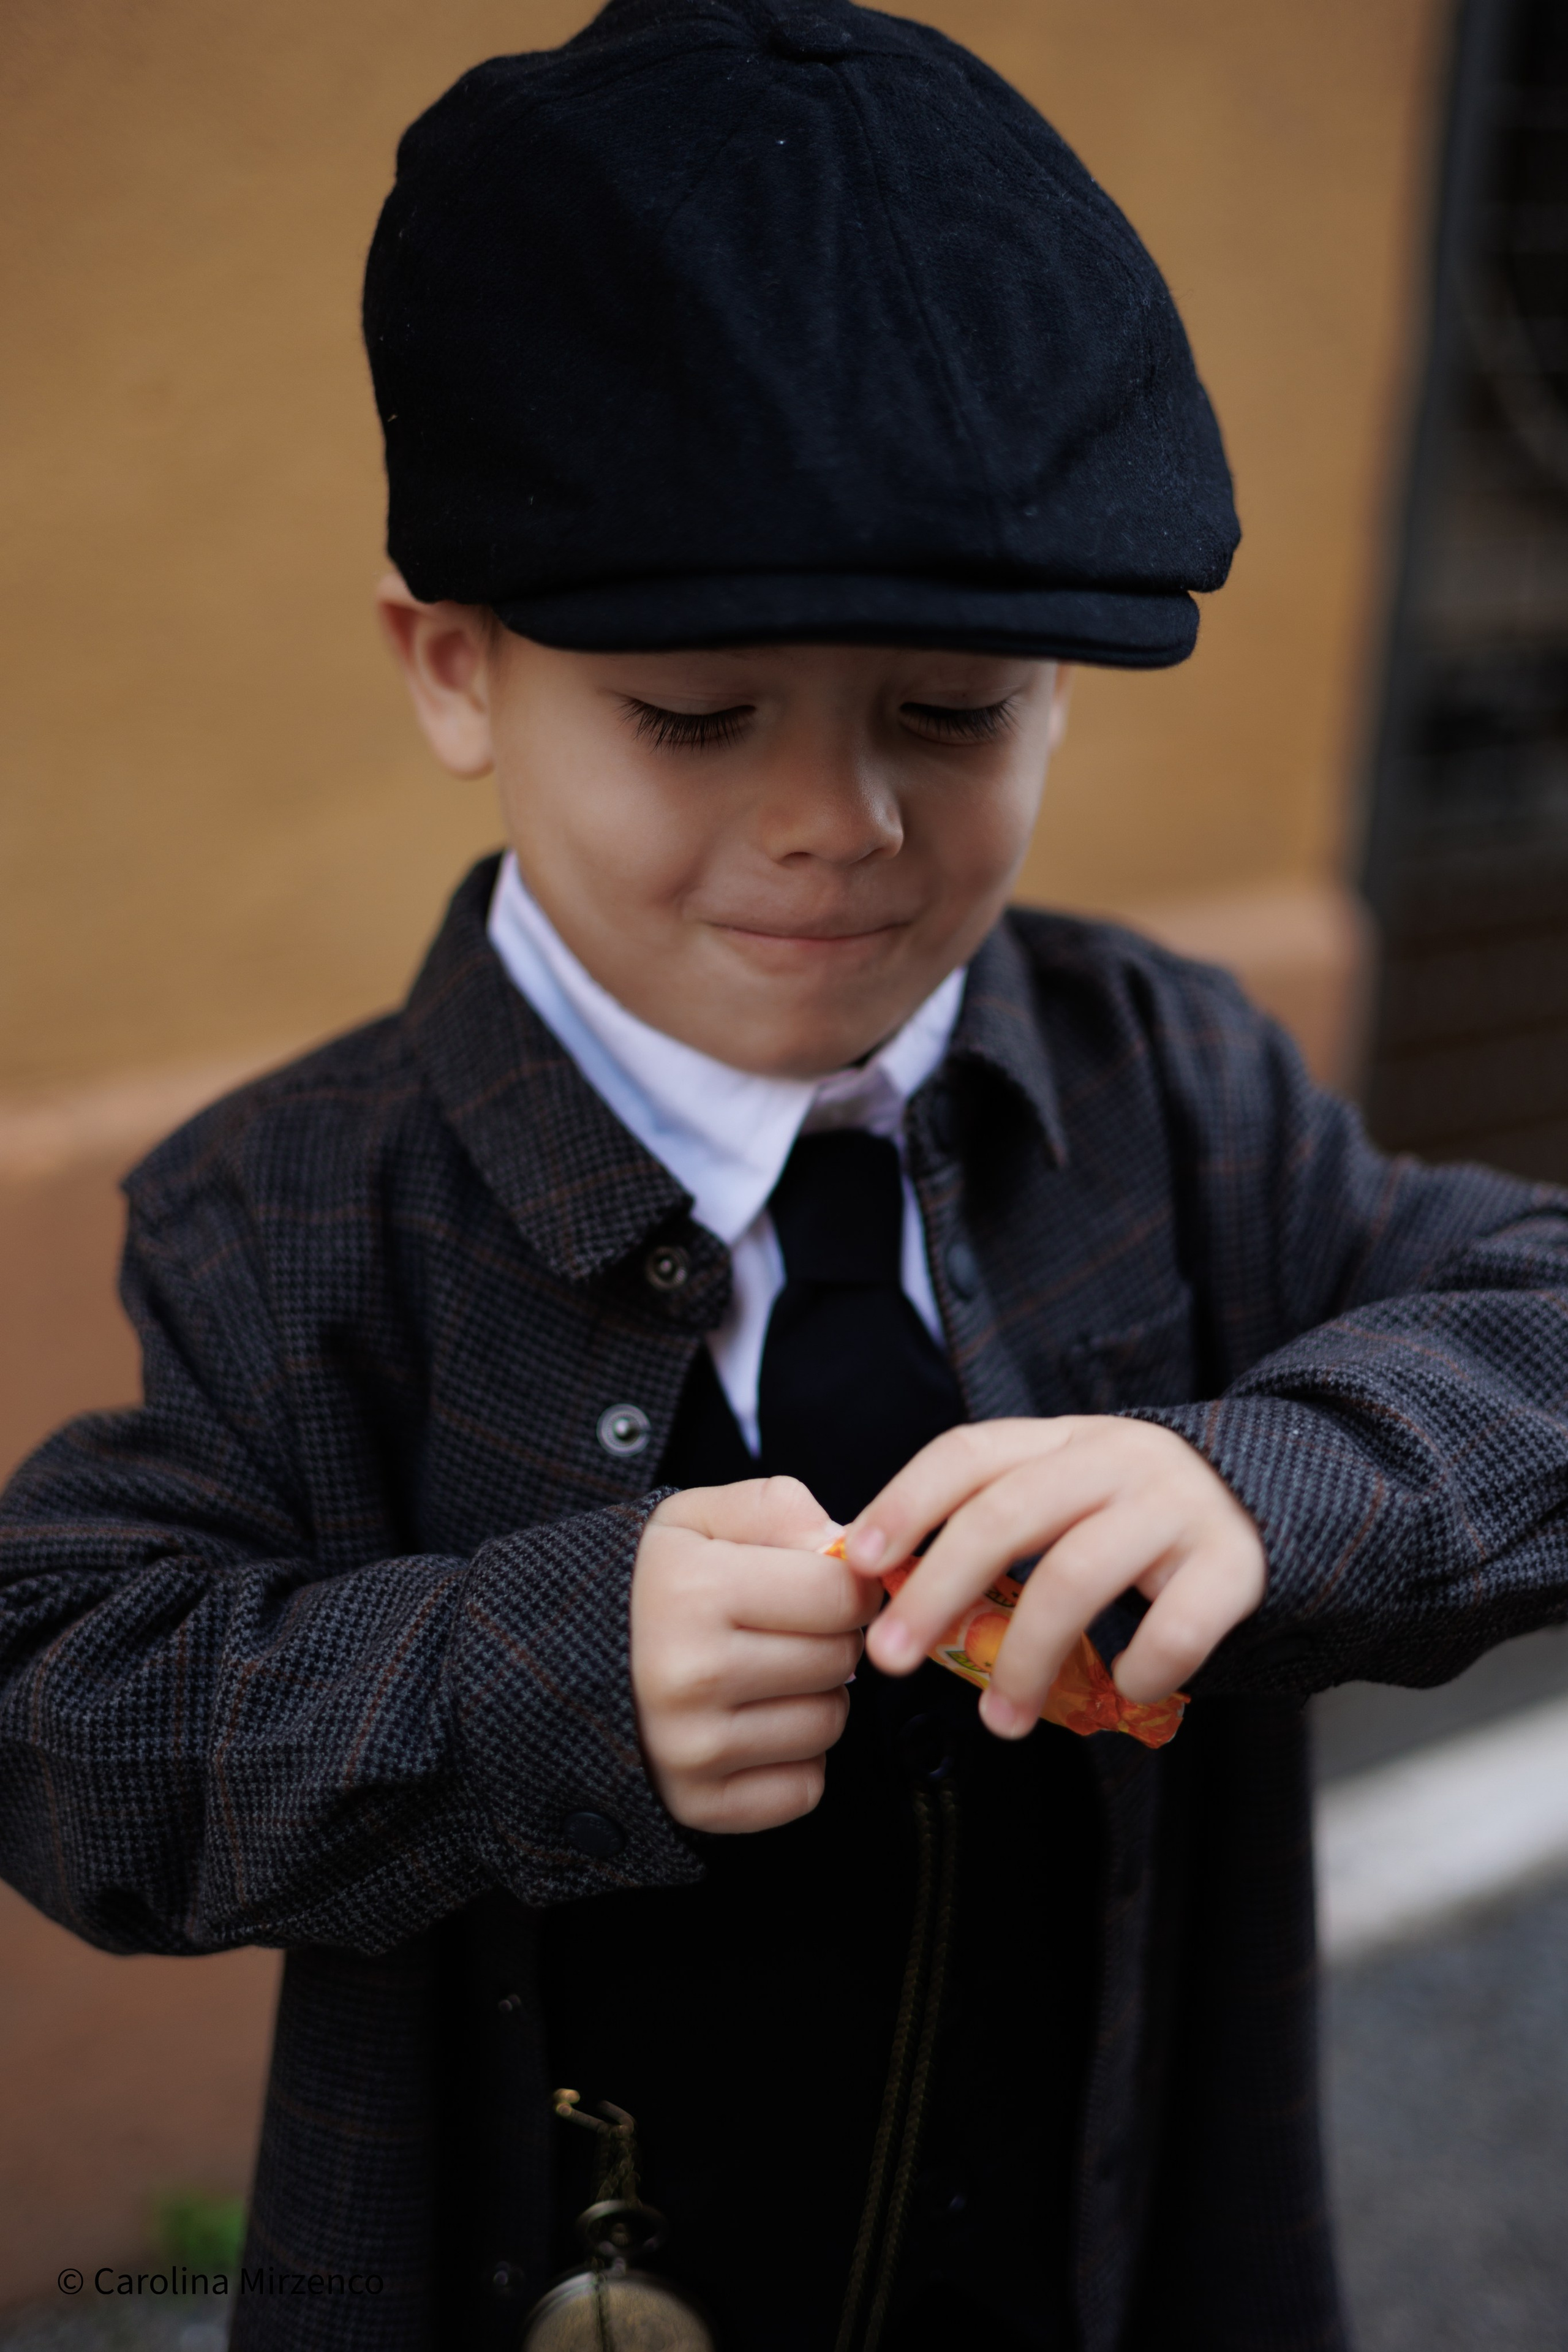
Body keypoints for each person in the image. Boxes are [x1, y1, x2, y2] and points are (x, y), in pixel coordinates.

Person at [4, 1, 1567, 2346]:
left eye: (954, 712)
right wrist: (539, 1673)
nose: (841, 822)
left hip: (1101, 2262)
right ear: (453, 670)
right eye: (695, 717)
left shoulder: (1179, 1082)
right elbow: (72, 1709)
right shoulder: (289, 1212)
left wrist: (1279, 1484)